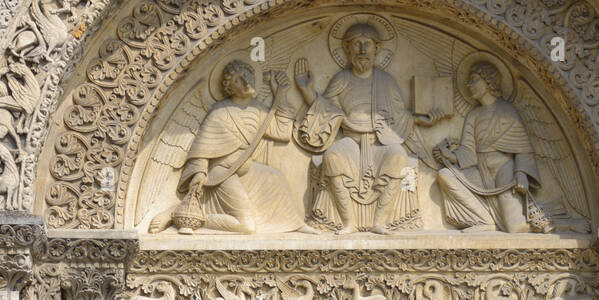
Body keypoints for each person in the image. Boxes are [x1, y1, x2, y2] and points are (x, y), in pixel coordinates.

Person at [294, 21, 442, 233]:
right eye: (356, 44)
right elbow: (325, 110)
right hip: (351, 140)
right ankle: (348, 223)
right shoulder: (342, 79)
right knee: (332, 157)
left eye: (367, 44)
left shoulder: (387, 81)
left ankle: (379, 222)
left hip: (380, 142)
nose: (362, 50)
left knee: (399, 156)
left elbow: (400, 115)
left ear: (377, 49)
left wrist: (422, 120)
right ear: (347, 48)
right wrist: (306, 91)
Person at [149, 60, 308, 235]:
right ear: (229, 88)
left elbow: (282, 132)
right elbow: (202, 148)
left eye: (247, 75)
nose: (246, 81)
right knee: (246, 226)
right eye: (238, 80)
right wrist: (200, 173)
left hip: (247, 172)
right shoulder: (220, 112)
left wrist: (282, 94)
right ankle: (179, 214)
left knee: (275, 177)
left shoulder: (258, 109)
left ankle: (294, 224)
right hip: (223, 174)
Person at [435, 61, 540, 232]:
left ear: (488, 81)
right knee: (445, 174)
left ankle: (564, 223)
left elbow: (522, 147)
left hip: (503, 170)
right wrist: (448, 155)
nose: (469, 85)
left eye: (474, 80)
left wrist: (521, 173)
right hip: (481, 171)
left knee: (515, 228)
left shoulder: (507, 110)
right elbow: (468, 152)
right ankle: (484, 221)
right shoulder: (473, 115)